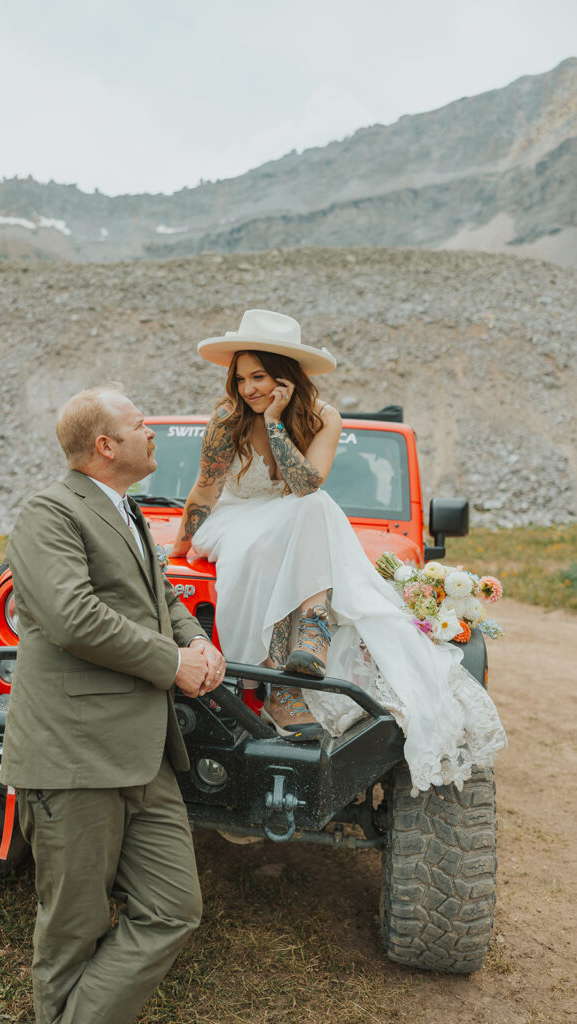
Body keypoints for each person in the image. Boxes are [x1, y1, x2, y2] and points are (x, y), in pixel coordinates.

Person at [171, 309, 506, 791]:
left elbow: (306, 484)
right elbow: (206, 490)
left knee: (315, 507)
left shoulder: (324, 417)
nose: (247, 389)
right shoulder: (227, 421)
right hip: (232, 519)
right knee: (294, 525)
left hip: (291, 516)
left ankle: (309, 637)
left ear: (286, 375)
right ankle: (287, 670)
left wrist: (277, 425)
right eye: (241, 378)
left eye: (258, 376)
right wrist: (175, 547)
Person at [0, 382, 226, 1024]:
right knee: (73, 931)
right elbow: (72, 616)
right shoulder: (49, 512)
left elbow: (162, 601)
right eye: (140, 423)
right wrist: (171, 664)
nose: (151, 430)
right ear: (106, 445)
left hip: (143, 754)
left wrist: (197, 643)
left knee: (174, 910)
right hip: (73, 755)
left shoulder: (125, 511)